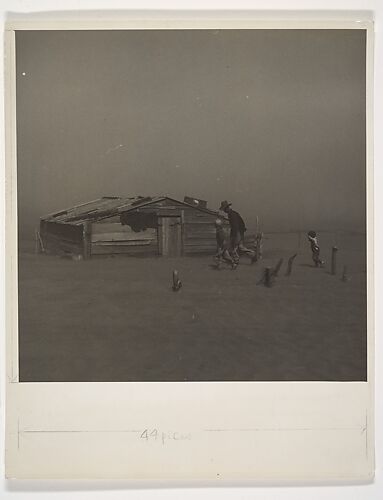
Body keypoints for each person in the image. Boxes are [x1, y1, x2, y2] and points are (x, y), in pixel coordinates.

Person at [219, 200, 256, 265]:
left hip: (237, 233)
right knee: (240, 247)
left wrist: (234, 236)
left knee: (233, 248)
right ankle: (253, 255)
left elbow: (235, 226)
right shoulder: (234, 213)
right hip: (239, 232)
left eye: (224, 209)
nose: (224, 211)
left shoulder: (232, 214)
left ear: (227, 208)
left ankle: (236, 261)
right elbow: (240, 224)